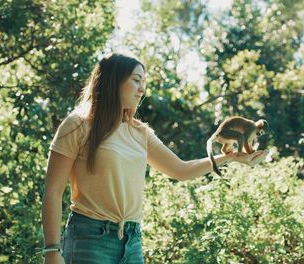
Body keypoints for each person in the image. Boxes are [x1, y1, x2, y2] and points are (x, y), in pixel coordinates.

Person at [41, 53, 266, 264]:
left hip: (132, 241)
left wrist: (231, 158)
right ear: (114, 81)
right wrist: (52, 250)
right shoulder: (77, 125)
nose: (142, 89)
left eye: (143, 82)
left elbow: (181, 169)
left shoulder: (140, 132)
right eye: (136, 80)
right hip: (90, 238)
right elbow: (53, 191)